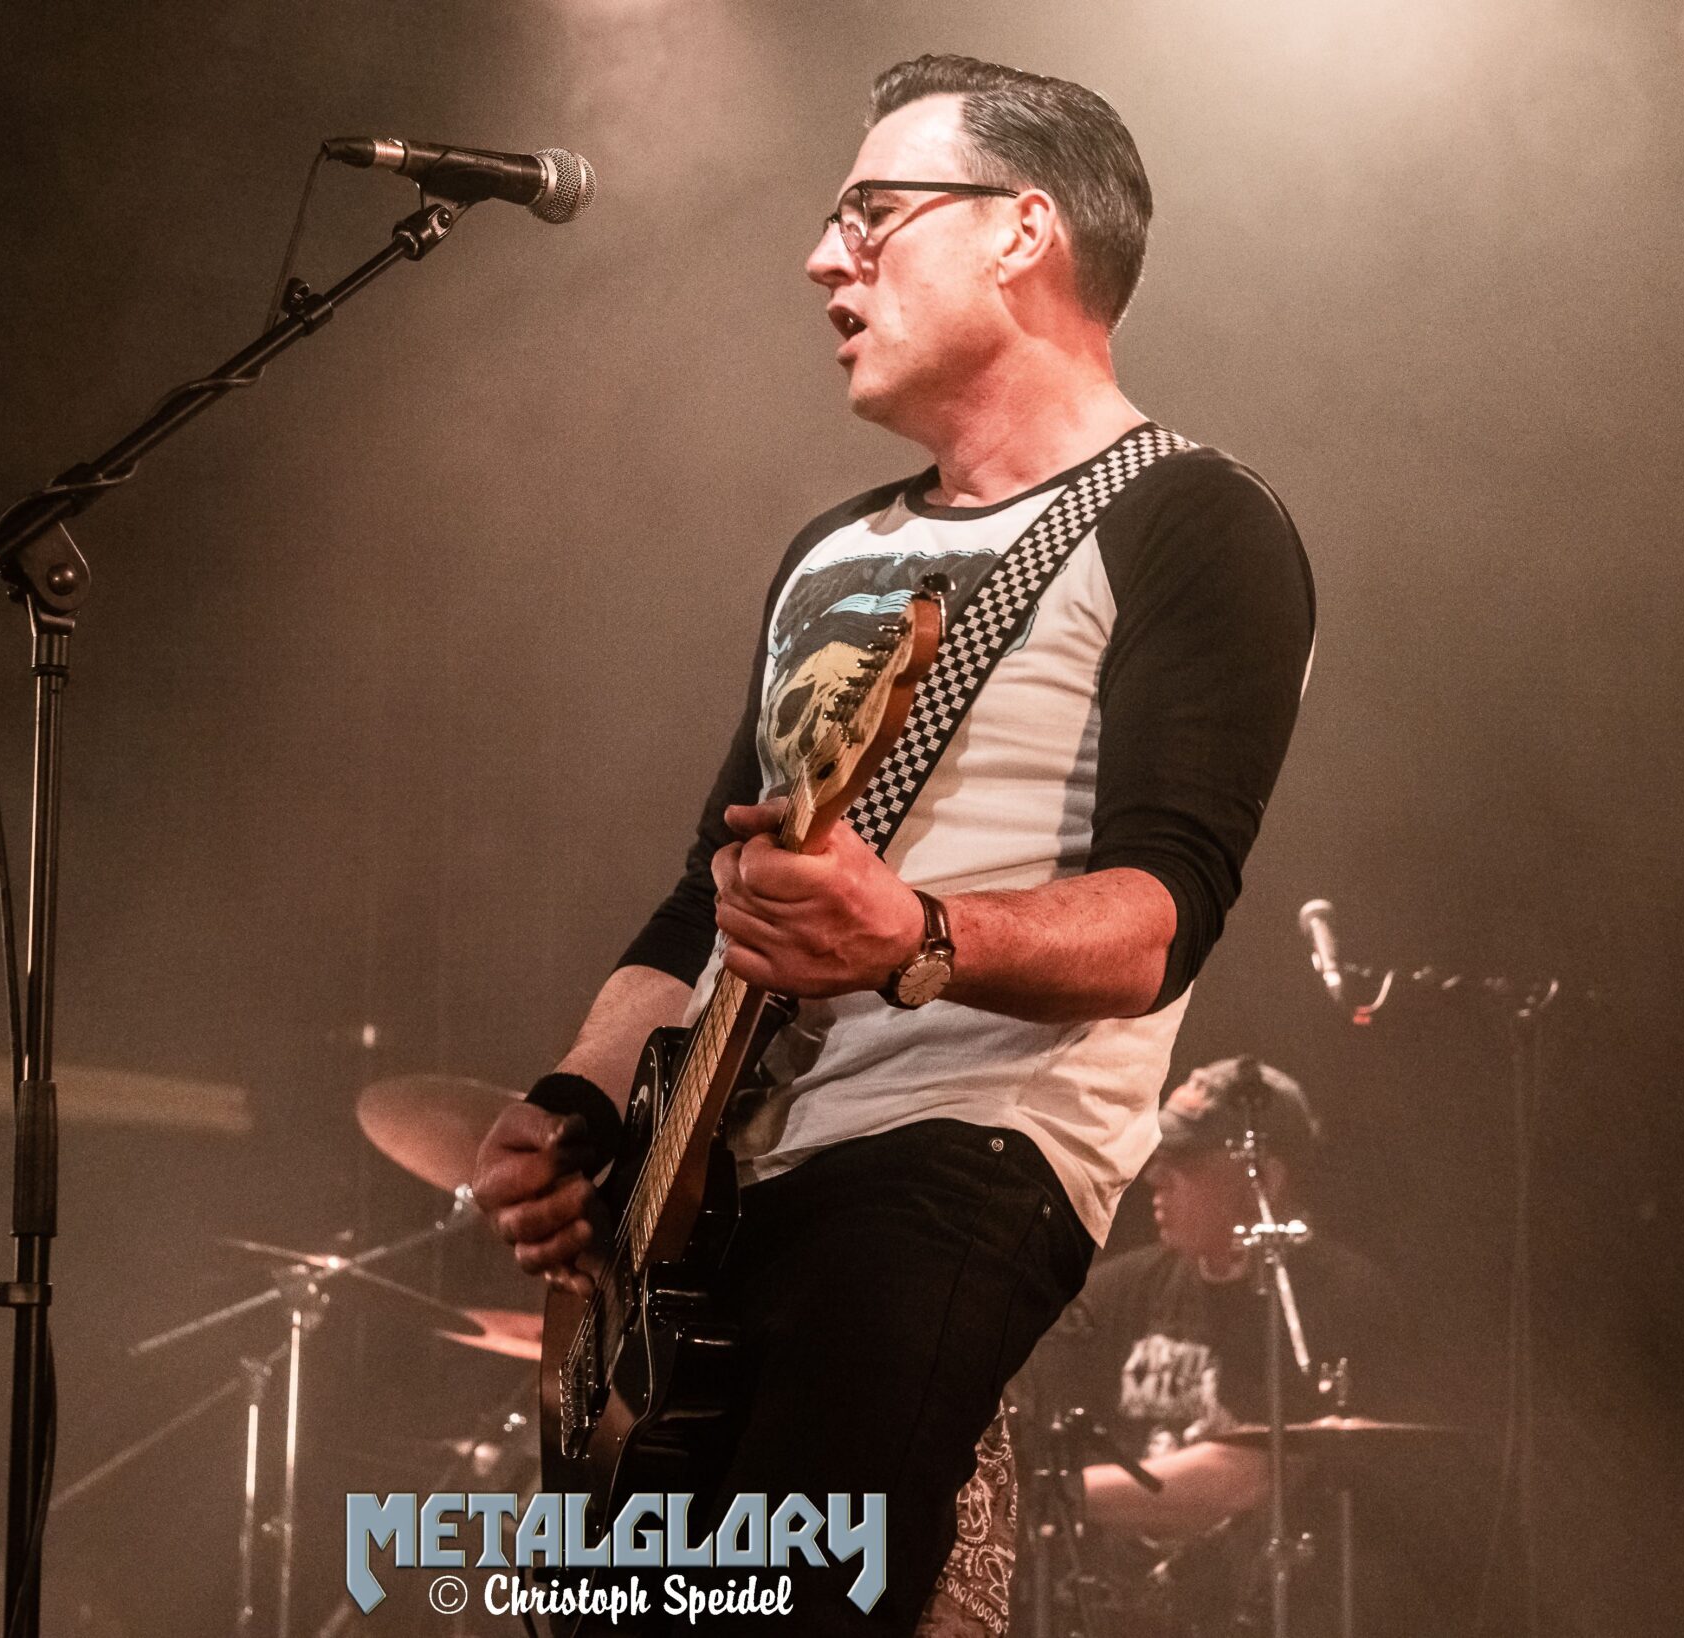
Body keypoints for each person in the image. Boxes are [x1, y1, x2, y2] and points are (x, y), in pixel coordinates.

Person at [472, 53, 1316, 1633]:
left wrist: (917, 937)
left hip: (958, 1154)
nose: (822, 259)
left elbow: (1161, 914)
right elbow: (706, 898)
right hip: (705, 1188)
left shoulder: (1194, 522)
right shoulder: (833, 549)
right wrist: (579, 1096)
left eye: (870, 213)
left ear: (1022, 230)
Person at [1016, 1056, 1398, 1633]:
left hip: (1269, 1613)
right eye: (1158, 1155)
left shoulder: (1334, 1296)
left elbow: (1246, 1476)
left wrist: (1057, 1494)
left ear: (1263, 1179)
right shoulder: (1121, 1290)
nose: (1155, 1178)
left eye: (1184, 1161)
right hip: (1116, 1614)